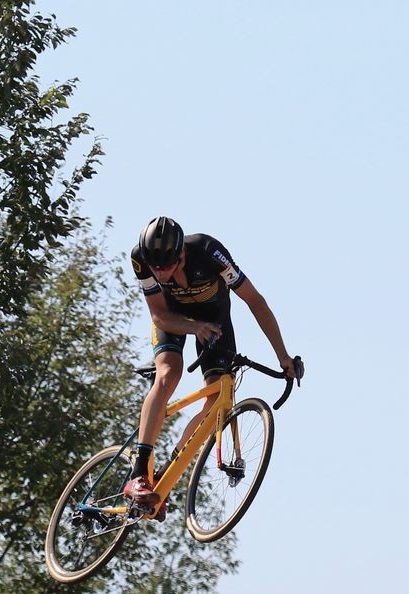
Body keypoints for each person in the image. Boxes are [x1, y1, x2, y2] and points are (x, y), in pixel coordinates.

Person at [122, 217, 297, 511]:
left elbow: (254, 301)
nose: (161, 273)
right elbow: (160, 317)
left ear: (182, 254)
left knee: (217, 397)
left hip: (215, 319)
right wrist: (193, 327)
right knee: (168, 374)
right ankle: (138, 474)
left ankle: (163, 477)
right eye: (156, 268)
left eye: (166, 266)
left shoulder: (209, 252)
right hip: (172, 320)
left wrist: (282, 355)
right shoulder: (141, 259)